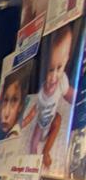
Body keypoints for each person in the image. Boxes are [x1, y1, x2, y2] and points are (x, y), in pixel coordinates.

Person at [23, 23, 77, 170]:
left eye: (59, 68)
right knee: (34, 140)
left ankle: (46, 150)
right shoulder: (42, 93)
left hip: (52, 118)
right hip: (41, 123)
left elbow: (69, 94)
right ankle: (34, 158)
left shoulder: (62, 80)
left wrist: (79, 101)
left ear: (66, 61)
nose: (54, 76)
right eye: (50, 70)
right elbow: (34, 111)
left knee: (58, 120)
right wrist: (24, 121)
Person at [0, 70, 27, 141]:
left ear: (20, 106)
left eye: (14, 100)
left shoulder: (15, 133)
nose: (6, 113)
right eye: (4, 100)